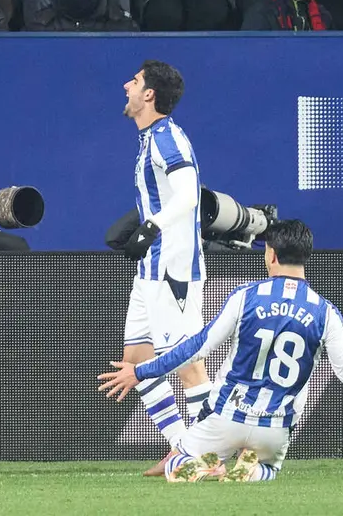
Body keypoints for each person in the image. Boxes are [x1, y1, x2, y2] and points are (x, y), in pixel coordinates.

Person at [99, 219, 343, 482]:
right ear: (305, 256)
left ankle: (210, 466)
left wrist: (140, 370)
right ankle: (254, 470)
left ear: (270, 255)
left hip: (226, 419)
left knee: (176, 467)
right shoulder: (325, 312)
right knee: (269, 469)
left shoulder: (246, 296)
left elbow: (197, 347)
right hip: (274, 430)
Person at [118, 60, 215, 476]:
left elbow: (190, 193)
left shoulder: (166, 137)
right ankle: (182, 447)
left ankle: (210, 457)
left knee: (188, 365)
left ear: (149, 95)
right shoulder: (150, 139)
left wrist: (152, 225)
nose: (127, 85)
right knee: (135, 360)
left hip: (172, 268)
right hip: (151, 268)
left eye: (135, 81)